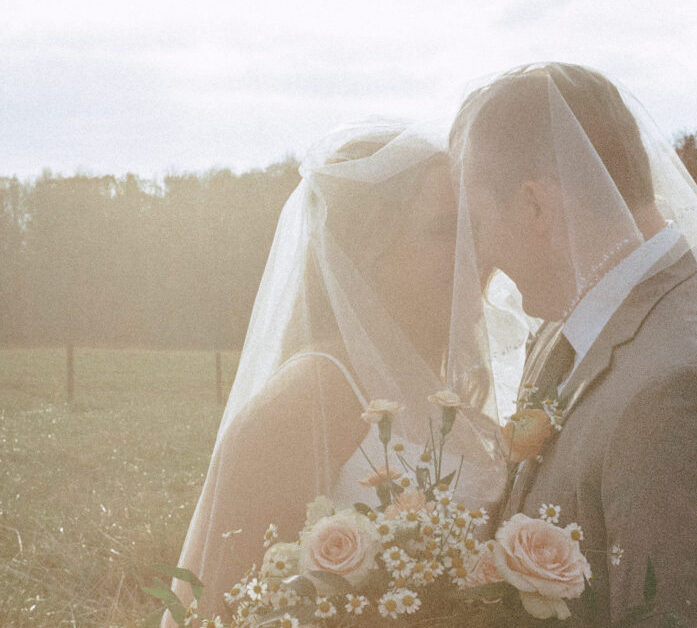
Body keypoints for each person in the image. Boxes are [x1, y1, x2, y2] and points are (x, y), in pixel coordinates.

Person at [449, 63, 697, 626]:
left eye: (480, 224)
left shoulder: (682, 393)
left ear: (536, 207)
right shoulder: (571, 328)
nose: (483, 259)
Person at [166, 124, 508, 621]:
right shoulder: (312, 396)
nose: (475, 255)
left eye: (475, 229)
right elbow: (212, 609)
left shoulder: (447, 396)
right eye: (445, 231)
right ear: (368, 250)